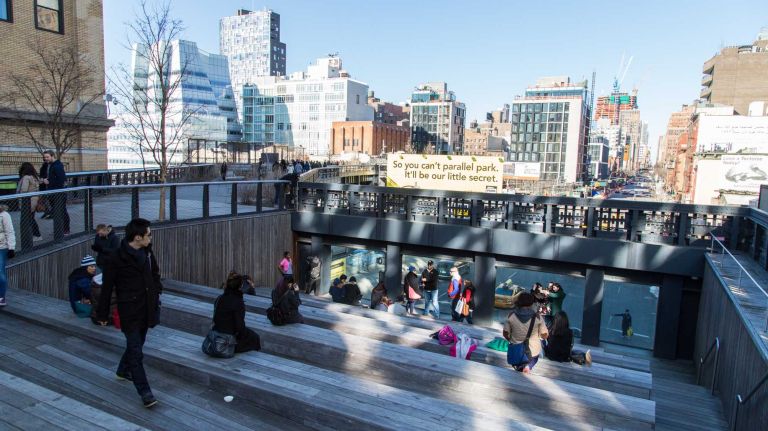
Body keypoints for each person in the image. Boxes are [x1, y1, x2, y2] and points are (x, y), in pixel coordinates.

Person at [96, 218, 162, 408]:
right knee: (136, 351)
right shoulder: (116, 258)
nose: (151, 237)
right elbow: (107, 288)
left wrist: (157, 289)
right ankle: (145, 392)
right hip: (129, 310)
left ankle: (122, 370)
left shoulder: (147, 252)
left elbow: (155, 274)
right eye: (148, 234)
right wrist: (102, 314)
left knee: (138, 343)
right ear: (138, 237)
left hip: (147, 308)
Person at [213, 273, 261, 353]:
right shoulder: (238, 302)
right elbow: (240, 327)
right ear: (240, 287)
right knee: (255, 338)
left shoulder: (220, 298)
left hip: (216, 334)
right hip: (228, 338)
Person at [503, 292, 549, 373]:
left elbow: (505, 333)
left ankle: (521, 367)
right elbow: (544, 335)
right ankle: (528, 366)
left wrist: (513, 339)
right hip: (532, 351)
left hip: (516, 349)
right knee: (534, 356)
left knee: (518, 363)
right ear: (531, 302)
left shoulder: (511, 315)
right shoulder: (537, 317)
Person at [41, 150, 69, 236]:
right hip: (52, 192)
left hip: (59, 193)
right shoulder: (48, 165)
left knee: (62, 211)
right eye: (44, 157)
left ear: (52, 156)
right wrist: (44, 180)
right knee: (56, 212)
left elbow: (61, 179)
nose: (45, 159)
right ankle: (59, 230)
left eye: (47, 157)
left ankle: (65, 230)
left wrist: (48, 181)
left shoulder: (57, 165)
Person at [16, 162, 42, 240]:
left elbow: (24, 190)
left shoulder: (26, 178)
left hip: (27, 202)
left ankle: (36, 235)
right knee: (31, 218)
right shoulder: (35, 177)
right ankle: (36, 235)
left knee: (28, 219)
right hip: (34, 200)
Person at [0, 205, 16, 307]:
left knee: (0, 272)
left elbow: (10, 232)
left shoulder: (4, 215)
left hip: (2, 247)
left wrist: (11, 248)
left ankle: (1, 297)